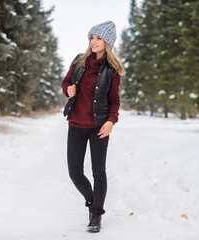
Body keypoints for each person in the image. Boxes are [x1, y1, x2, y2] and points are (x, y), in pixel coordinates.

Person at [61, 20, 126, 233]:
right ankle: (93, 202)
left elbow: (114, 101)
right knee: (75, 173)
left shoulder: (112, 69)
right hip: (76, 124)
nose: (94, 41)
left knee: (99, 171)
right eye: (92, 37)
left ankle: (96, 215)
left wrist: (111, 121)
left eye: (99, 38)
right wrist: (68, 90)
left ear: (107, 42)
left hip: (99, 126)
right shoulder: (79, 61)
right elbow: (66, 82)